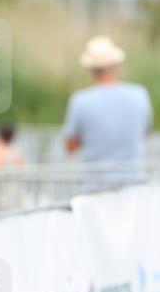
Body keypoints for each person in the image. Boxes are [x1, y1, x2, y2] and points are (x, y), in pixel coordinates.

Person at [62, 35, 152, 189]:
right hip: (135, 188)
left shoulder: (80, 101)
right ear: (116, 64)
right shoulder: (140, 94)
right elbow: (144, 133)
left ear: (91, 69)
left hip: (96, 189)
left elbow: (70, 146)